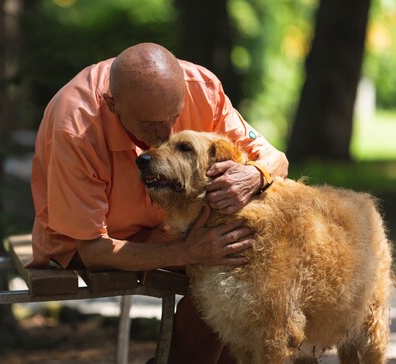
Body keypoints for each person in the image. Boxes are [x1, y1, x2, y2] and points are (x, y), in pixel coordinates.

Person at [25, 42, 289, 363]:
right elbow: (92, 251)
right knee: (223, 264)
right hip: (95, 244)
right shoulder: (75, 128)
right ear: (112, 104)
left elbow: (276, 159)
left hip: (173, 230)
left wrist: (256, 175)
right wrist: (189, 250)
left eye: (175, 115)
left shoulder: (201, 88)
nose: (166, 134)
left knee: (252, 257)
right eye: (149, 125)